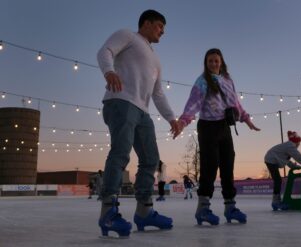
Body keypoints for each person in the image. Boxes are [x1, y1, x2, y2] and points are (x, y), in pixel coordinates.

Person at [96, 9, 180, 237]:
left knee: (151, 160)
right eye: (160, 26)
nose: (163, 31)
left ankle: (144, 211)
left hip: (143, 112)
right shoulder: (129, 36)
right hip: (121, 101)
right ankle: (108, 212)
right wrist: (109, 71)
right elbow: (105, 51)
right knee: (121, 153)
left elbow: (158, 93)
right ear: (146, 23)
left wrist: (172, 118)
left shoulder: (155, 59)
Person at [176, 48, 260, 225]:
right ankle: (203, 209)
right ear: (206, 64)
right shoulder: (202, 81)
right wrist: (184, 121)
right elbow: (194, 103)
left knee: (228, 165)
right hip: (207, 127)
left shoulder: (228, 81)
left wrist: (246, 119)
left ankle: (230, 207)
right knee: (210, 165)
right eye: (210, 61)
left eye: (216, 60)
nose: (213, 63)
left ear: (221, 62)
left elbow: (236, 102)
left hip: (224, 127)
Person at [264, 131, 301, 211]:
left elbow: (286, 160)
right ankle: (276, 202)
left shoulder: (288, 146)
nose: (299, 145)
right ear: (296, 142)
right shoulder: (290, 146)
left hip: (270, 158)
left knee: (278, 180)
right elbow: (299, 157)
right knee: (278, 180)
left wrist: (294, 166)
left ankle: (276, 202)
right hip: (271, 159)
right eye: (299, 143)